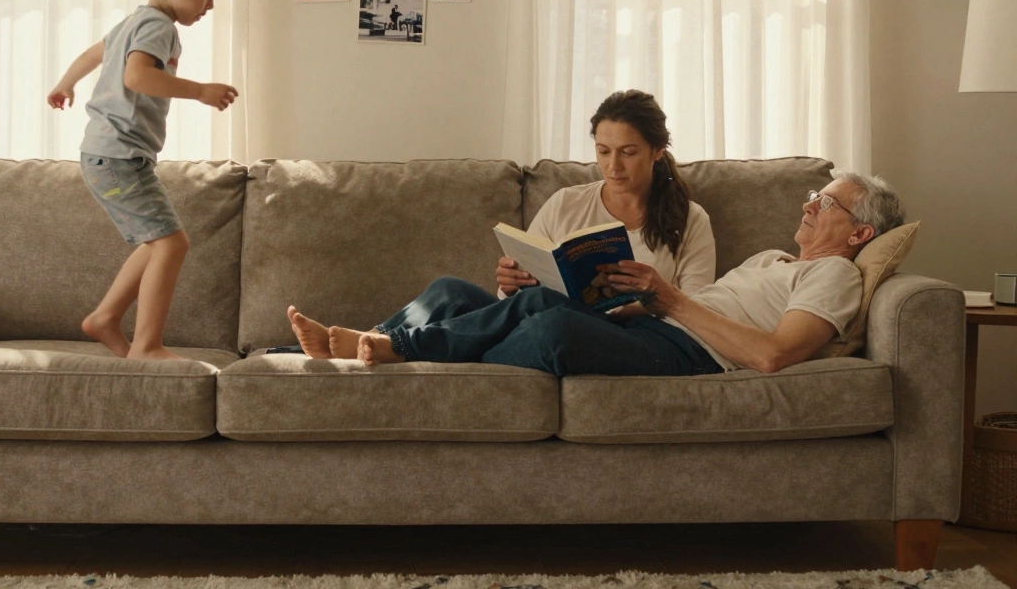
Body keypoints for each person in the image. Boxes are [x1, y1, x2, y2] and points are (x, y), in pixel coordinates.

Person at [294, 167, 904, 377]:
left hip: (686, 355)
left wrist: (666, 299)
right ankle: (358, 350)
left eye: (824, 202)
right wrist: (618, 300)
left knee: (552, 329)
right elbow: (671, 307)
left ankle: (390, 349)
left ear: (860, 234)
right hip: (646, 325)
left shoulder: (837, 278)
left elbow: (772, 356)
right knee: (453, 292)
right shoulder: (771, 261)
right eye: (813, 194)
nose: (807, 204)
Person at [287, 89, 720, 368]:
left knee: (543, 315)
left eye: (628, 152)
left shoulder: (689, 219)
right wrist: (510, 283)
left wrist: (633, 303)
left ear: (658, 151)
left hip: (619, 335)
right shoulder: (567, 203)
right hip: (542, 310)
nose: (613, 165)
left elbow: (698, 309)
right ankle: (366, 343)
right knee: (449, 291)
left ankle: (387, 345)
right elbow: (518, 295)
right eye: (603, 151)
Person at [46, 0, 238, 361]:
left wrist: (65, 82)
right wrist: (200, 91)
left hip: (109, 155)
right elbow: (137, 77)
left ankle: (105, 320)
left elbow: (96, 54)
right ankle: (147, 344)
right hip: (117, 157)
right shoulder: (157, 25)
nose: (209, 6)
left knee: (157, 242)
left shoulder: (132, 21)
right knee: (172, 244)